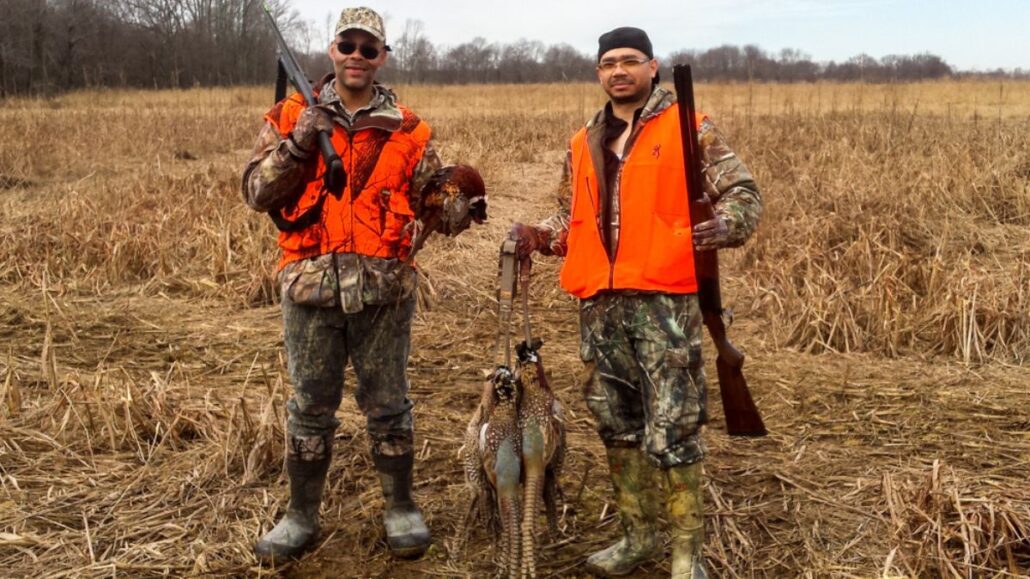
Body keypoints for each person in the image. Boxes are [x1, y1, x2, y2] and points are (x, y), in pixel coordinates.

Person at [510, 27, 762, 578]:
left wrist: (724, 225)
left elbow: (743, 193)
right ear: (599, 73)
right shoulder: (584, 141)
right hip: (601, 306)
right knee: (614, 422)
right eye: (608, 63)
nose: (618, 71)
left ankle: (685, 555)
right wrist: (536, 235)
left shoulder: (689, 126)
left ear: (653, 67)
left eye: (629, 61)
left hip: (665, 305)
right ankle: (637, 536)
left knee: (674, 425)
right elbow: (571, 221)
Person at [242, 6, 470, 563]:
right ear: (332, 50)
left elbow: (432, 202)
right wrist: (298, 143)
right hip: (309, 289)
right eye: (349, 45)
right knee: (309, 408)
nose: (358, 57)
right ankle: (300, 517)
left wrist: (455, 205)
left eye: (370, 49)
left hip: (384, 293)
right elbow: (254, 192)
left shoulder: (409, 129)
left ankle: (400, 507)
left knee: (389, 407)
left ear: (383, 58)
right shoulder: (291, 113)